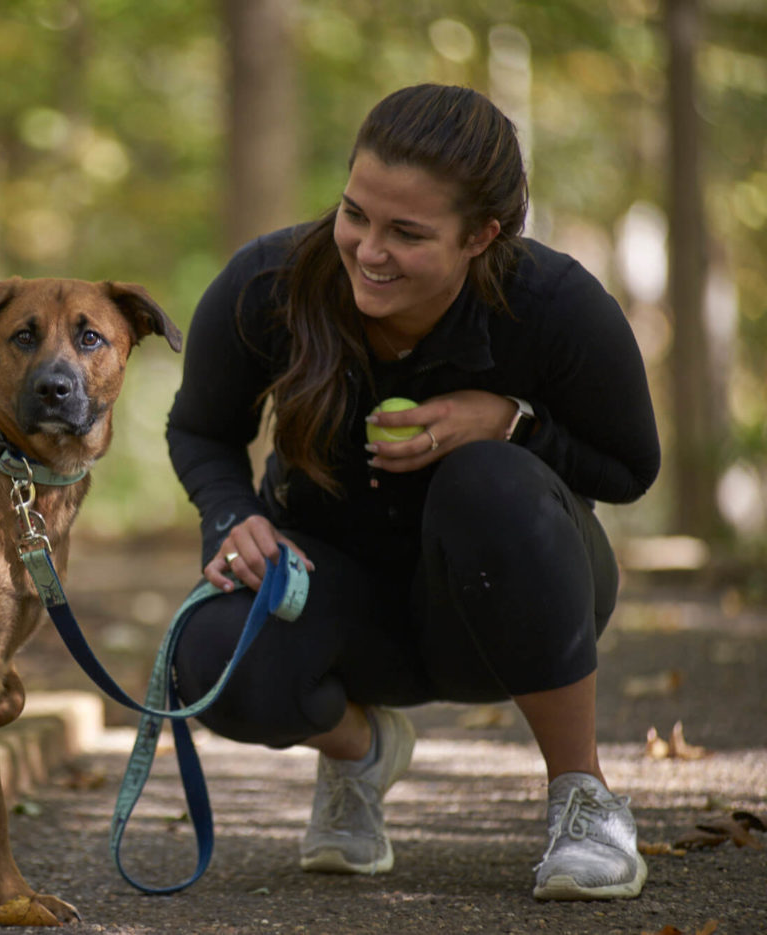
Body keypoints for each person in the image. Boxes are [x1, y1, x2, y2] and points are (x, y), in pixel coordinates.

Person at [166, 83, 659, 900]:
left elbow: (628, 470)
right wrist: (234, 515)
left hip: (509, 606)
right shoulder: (270, 283)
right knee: (208, 655)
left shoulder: (555, 307)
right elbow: (201, 430)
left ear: (481, 235)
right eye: (356, 213)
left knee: (488, 477)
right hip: (332, 600)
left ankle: (586, 799)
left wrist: (512, 422)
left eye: (408, 232)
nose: (367, 249)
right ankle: (360, 753)